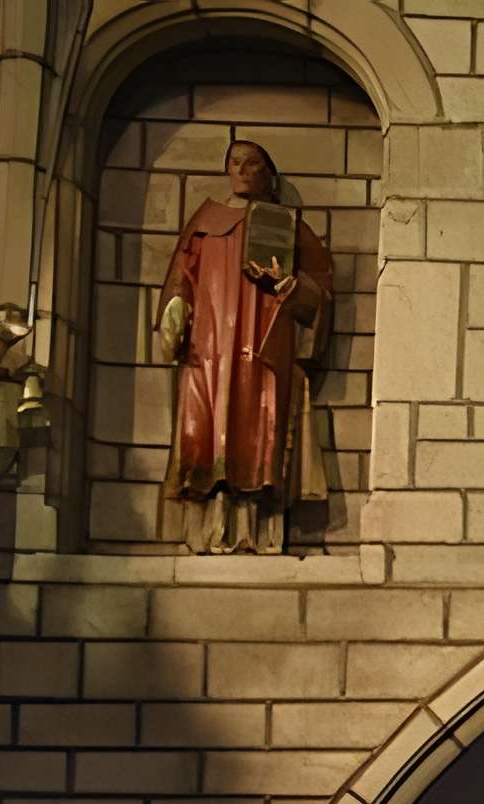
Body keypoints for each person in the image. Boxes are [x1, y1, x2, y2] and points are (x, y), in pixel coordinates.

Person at [154, 139, 333, 553]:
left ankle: (256, 527)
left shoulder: (289, 226)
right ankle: (210, 524)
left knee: (258, 425)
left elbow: (321, 291)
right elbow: (183, 274)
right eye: (234, 162)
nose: (241, 170)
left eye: (251, 163)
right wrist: (176, 307)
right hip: (211, 345)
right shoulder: (206, 219)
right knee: (208, 423)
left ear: (269, 174)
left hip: (262, 344)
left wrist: (289, 286)